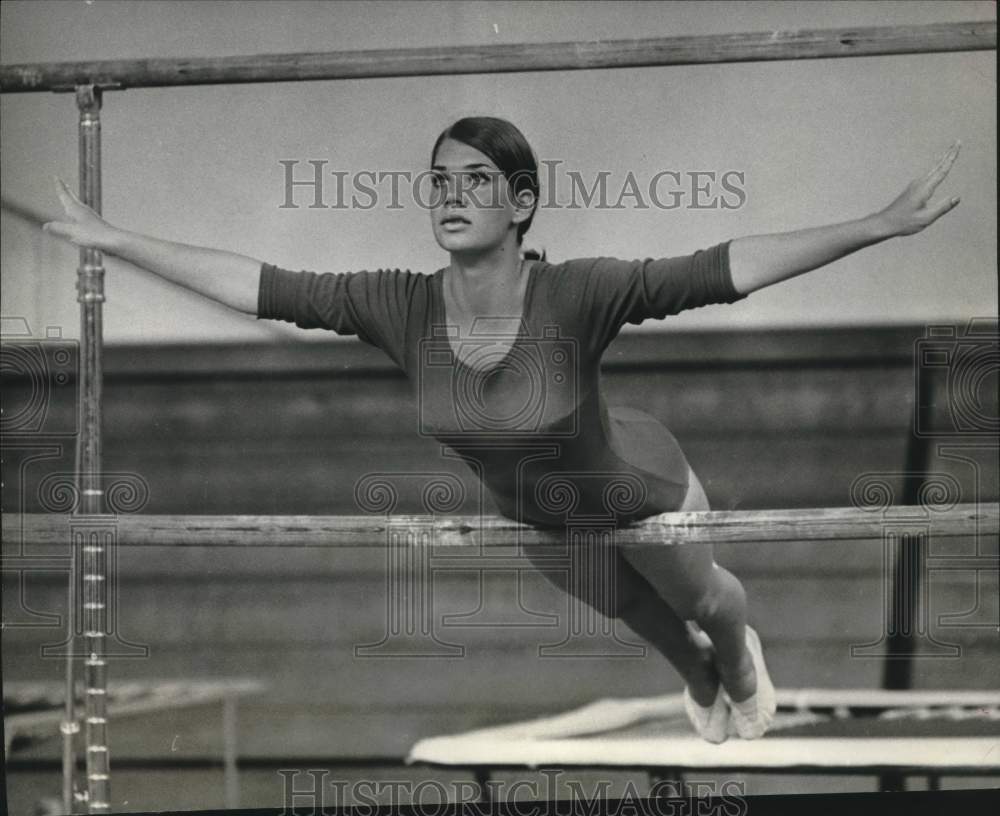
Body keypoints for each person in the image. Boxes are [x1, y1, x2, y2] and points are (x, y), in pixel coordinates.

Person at [45, 117, 960, 743]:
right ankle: (697, 675)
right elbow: (261, 285)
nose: (452, 195)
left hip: (638, 486)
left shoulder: (578, 292)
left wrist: (877, 225)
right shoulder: (396, 305)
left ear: (521, 203)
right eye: (439, 182)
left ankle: (739, 664)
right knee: (646, 621)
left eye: (476, 181)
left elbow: (725, 269)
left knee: (708, 605)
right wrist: (118, 239)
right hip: (542, 519)